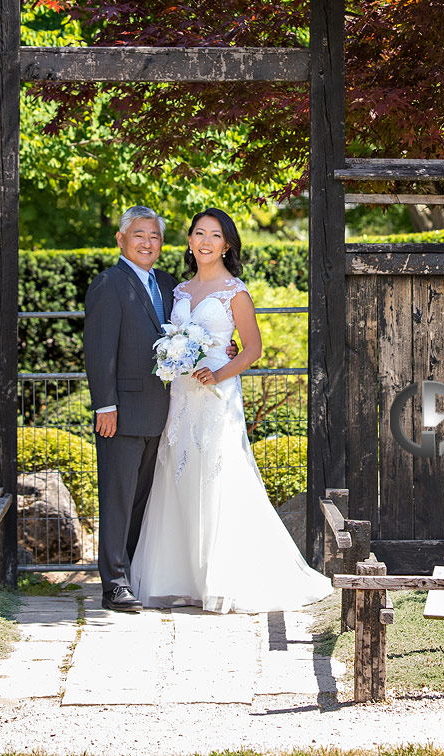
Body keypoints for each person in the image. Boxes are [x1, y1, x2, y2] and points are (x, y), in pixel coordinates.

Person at [130, 207, 333, 613]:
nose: (206, 241)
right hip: (182, 399)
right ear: (189, 242)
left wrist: (219, 372)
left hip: (218, 400)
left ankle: (223, 578)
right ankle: (182, 578)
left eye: (215, 235)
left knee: (219, 477)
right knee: (179, 475)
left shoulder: (235, 292)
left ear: (227, 244)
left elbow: (253, 349)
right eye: (199, 233)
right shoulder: (179, 292)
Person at [83, 206, 176, 613]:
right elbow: (98, 351)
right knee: (118, 500)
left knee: (143, 500)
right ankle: (114, 584)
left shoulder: (170, 285)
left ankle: (134, 574)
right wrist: (105, 405)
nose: (147, 243)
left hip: (163, 412)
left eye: (154, 236)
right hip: (119, 414)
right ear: (121, 240)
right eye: (139, 235)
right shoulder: (109, 284)